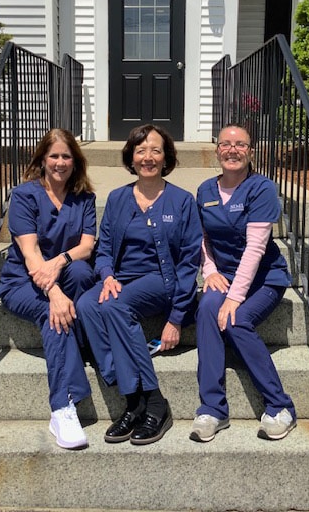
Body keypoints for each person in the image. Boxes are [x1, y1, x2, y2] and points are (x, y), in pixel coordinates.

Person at [77, 124, 202, 445]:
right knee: (87, 304)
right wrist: (105, 276)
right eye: (141, 150)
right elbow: (103, 249)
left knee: (115, 305)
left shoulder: (182, 201)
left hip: (163, 281)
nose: (148, 157)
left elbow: (189, 264)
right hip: (120, 280)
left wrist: (175, 319)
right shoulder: (117, 199)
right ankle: (133, 400)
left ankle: (153, 402)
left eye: (155, 150)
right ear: (131, 157)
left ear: (166, 157)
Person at [190, 123, 296, 443]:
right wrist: (209, 272)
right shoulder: (205, 190)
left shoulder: (262, 188)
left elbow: (255, 248)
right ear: (217, 150)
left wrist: (235, 298)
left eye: (240, 145)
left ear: (251, 152)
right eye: (226, 144)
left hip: (264, 278)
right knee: (207, 309)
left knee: (236, 322)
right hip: (224, 277)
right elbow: (201, 239)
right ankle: (213, 408)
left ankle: (280, 406)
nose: (232, 150)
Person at [0, 128, 96, 450]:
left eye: (66, 155)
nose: (60, 162)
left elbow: (87, 245)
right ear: (42, 159)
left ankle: (74, 344)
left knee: (82, 272)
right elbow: (30, 253)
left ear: (75, 160)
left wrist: (61, 261)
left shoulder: (84, 197)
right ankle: (62, 408)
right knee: (53, 316)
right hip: (22, 282)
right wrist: (54, 294)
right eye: (53, 155)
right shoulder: (25, 195)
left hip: (62, 273)